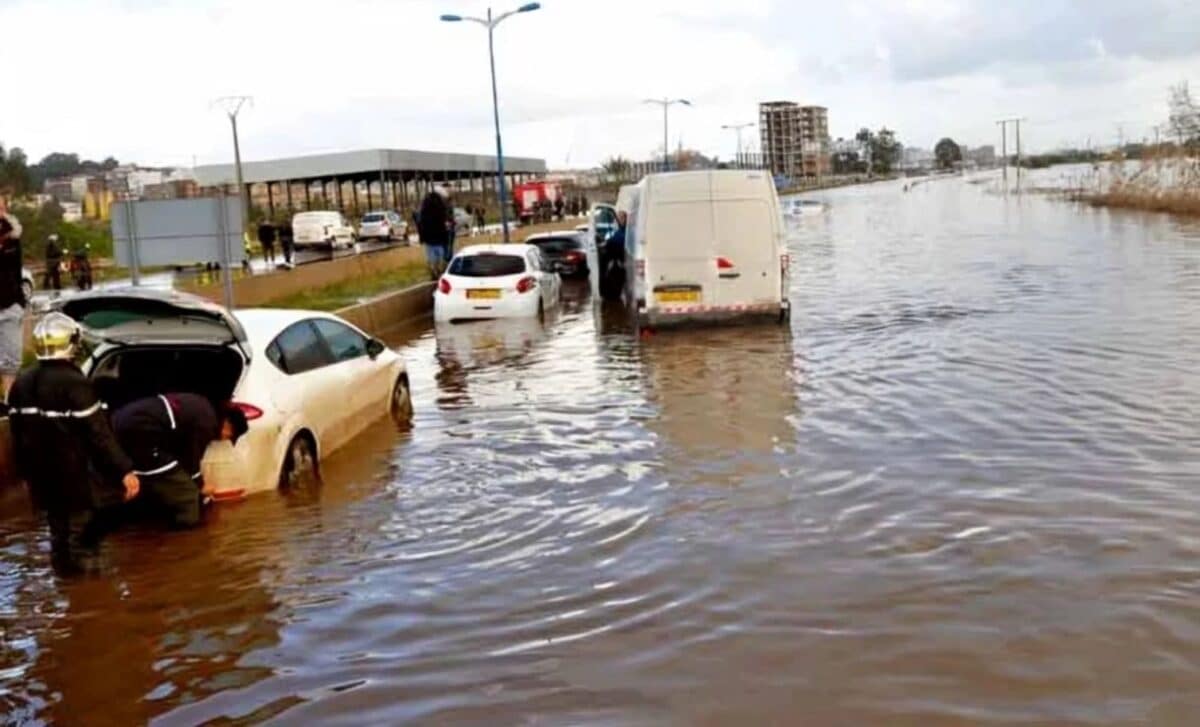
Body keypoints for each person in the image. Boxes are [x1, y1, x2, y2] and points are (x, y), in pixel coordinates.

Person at [9, 313, 140, 575]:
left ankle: (68, 593)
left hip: (42, 477)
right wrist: (124, 470)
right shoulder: (74, 383)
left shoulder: (21, 382)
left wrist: (26, 473)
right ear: (70, 343)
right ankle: (91, 596)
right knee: (85, 538)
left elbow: (17, 435)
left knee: (59, 536)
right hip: (74, 476)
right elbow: (98, 433)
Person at [112, 393, 248, 529]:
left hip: (122, 422)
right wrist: (201, 486)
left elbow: (184, 455)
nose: (225, 439)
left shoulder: (203, 407)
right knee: (189, 500)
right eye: (229, 436)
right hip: (139, 433)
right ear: (227, 425)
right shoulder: (207, 423)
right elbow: (191, 461)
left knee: (164, 481)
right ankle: (173, 543)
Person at [0, 194, 26, 399]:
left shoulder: (12, 237)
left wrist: (19, 302)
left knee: (11, 363)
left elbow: (14, 268)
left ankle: (10, 404)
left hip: (9, 305)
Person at [418, 186, 452, 279]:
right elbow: (444, 220)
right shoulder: (441, 204)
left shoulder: (425, 204)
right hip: (439, 236)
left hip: (428, 236)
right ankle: (440, 271)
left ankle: (433, 272)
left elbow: (421, 222)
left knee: (431, 255)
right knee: (440, 254)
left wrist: (422, 237)